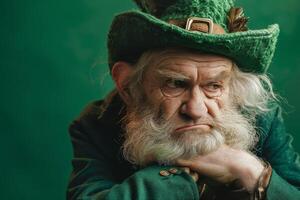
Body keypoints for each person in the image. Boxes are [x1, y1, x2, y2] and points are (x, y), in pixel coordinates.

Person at [67, 0, 300, 199]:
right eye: (175, 84)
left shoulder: (261, 118)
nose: (196, 110)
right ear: (127, 85)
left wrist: (250, 171)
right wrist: (178, 172)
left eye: (214, 86)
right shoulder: (97, 123)